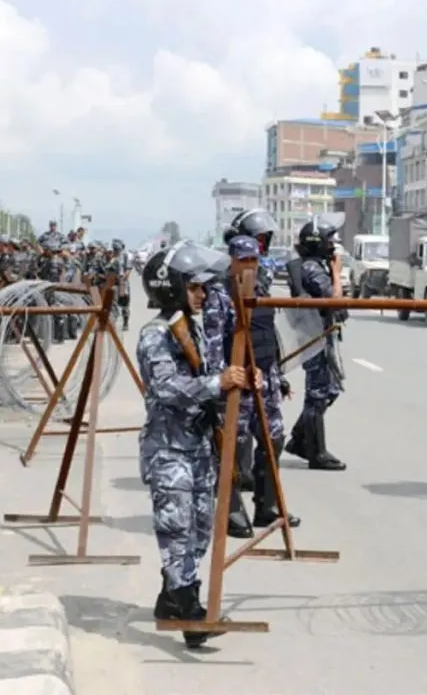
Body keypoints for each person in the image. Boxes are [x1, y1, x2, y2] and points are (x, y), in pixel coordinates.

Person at [138, 241, 243, 648]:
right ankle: (189, 612)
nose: (204, 295)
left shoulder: (191, 327)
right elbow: (165, 388)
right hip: (169, 450)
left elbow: (208, 377)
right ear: (173, 287)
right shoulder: (156, 335)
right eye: (196, 287)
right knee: (177, 529)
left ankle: (171, 597)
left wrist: (231, 381)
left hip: (198, 446)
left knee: (200, 529)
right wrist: (218, 383)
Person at [221, 211, 297, 527]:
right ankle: (231, 508)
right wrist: (221, 380)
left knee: (273, 439)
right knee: (236, 443)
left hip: (265, 376)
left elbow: (269, 335)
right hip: (237, 376)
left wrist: (278, 377)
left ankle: (267, 507)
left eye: (256, 257)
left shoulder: (262, 285)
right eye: (246, 259)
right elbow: (214, 342)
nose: (252, 264)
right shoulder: (220, 291)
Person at [284, 219, 347, 471]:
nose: (333, 246)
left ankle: (300, 438)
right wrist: (336, 273)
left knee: (329, 390)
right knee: (319, 392)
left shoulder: (313, 266)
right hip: (314, 336)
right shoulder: (313, 269)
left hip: (319, 334)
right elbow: (333, 299)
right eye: (329, 241)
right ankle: (316, 452)